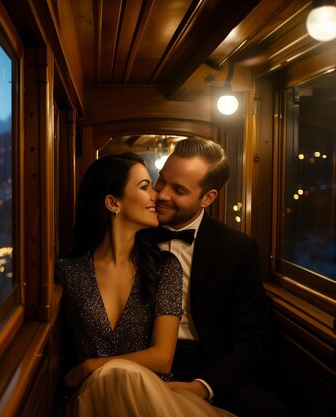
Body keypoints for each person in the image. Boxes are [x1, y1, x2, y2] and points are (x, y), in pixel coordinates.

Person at [55, 152, 235, 417]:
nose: (157, 196)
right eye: (145, 186)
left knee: (121, 378)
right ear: (112, 203)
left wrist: (92, 366)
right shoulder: (67, 271)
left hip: (149, 390)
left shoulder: (165, 267)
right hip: (92, 397)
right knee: (110, 381)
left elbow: (162, 358)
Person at [153, 138, 291, 417]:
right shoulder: (134, 233)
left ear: (208, 198)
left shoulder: (237, 248)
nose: (162, 195)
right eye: (161, 181)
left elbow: (255, 339)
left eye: (178, 190)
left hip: (212, 363)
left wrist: (204, 387)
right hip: (146, 357)